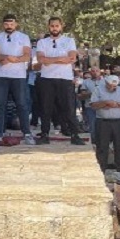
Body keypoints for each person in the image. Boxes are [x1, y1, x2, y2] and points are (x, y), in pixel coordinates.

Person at [35, 17, 85, 145]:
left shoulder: (69, 41)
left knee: (69, 108)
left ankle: (74, 135)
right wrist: (61, 59)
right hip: (47, 78)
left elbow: (72, 58)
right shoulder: (42, 42)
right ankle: (45, 134)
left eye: (57, 26)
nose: (54, 28)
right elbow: (41, 60)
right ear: (49, 27)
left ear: (61, 26)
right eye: (52, 26)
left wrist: (50, 60)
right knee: (46, 108)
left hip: (65, 78)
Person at [0, 14, 35, 145]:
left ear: (16, 24)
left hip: (18, 76)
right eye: (6, 24)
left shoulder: (24, 37)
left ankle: (27, 133)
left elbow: (27, 56)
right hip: (1, 76)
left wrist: (14, 59)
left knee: (22, 104)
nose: (9, 26)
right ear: (3, 24)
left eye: (11, 24)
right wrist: (6, 57)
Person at [90, 75, 120, 172]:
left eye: (114, 86)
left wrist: (115, 104)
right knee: (102, 147)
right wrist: (105, 102)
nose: (113, 87)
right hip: (103, 123)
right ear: (106, 83)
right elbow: (93, 105)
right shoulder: (98, 90)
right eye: (110, 85)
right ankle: (100, 171)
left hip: (119, 122)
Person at [78, 67, 103, 143]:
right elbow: (82, 93)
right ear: (90, 73)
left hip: (103, 107)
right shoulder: (86, 82)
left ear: (100, 72)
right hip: (90, 106)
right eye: (93, 71)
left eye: (97, 71)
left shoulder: (105, 81)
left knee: (102, 125)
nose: (95, 72)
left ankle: (103, 141)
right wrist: (92, 93)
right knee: (92, 125)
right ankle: (94, 142)